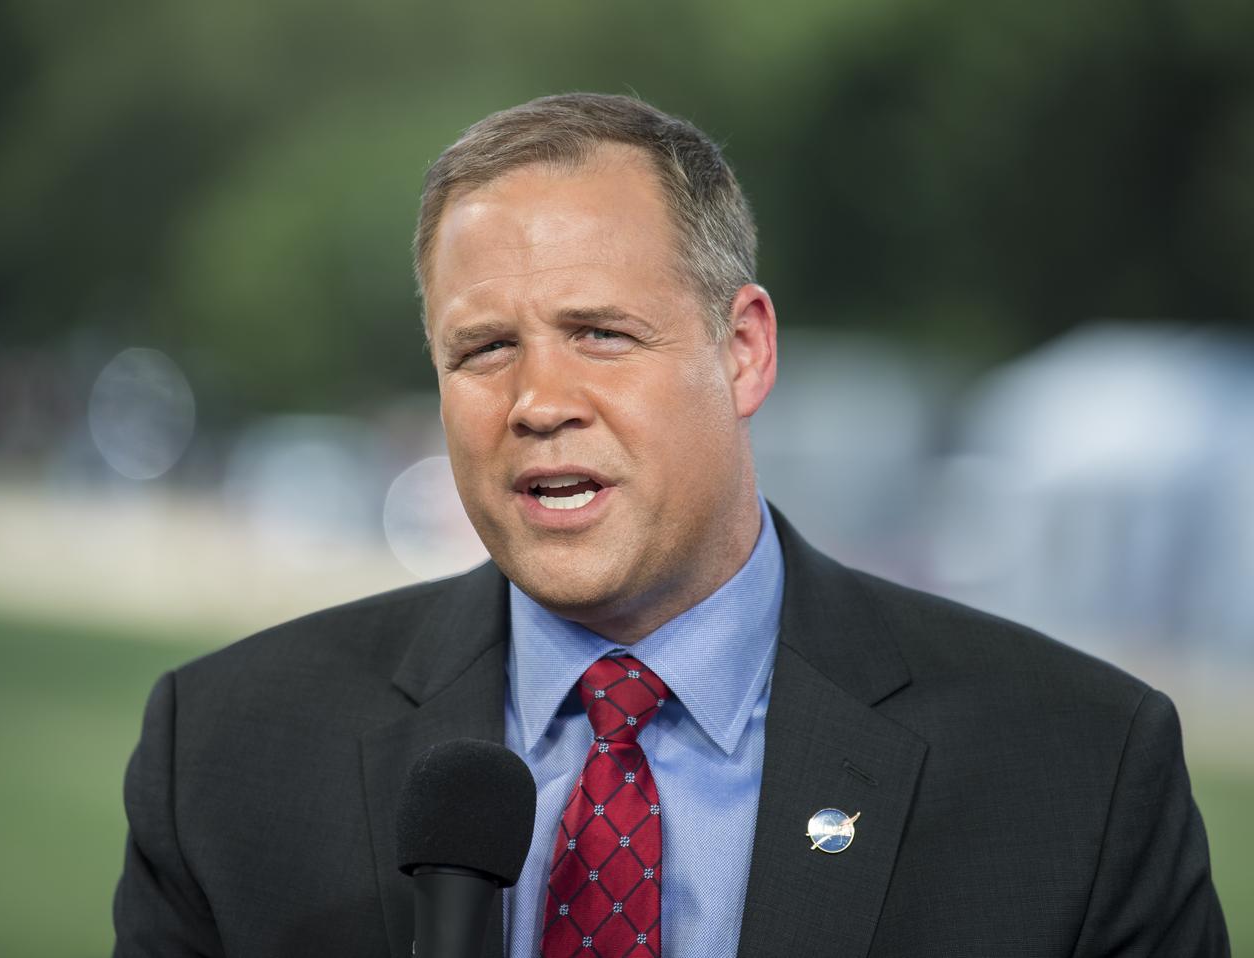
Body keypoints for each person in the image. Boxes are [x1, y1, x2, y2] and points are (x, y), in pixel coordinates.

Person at [113, 93, 1229, 957]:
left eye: (598, 332)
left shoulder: (1075, 770)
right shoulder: (221, 756)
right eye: (483, 349)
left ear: (740, 350)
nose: (537, 400)